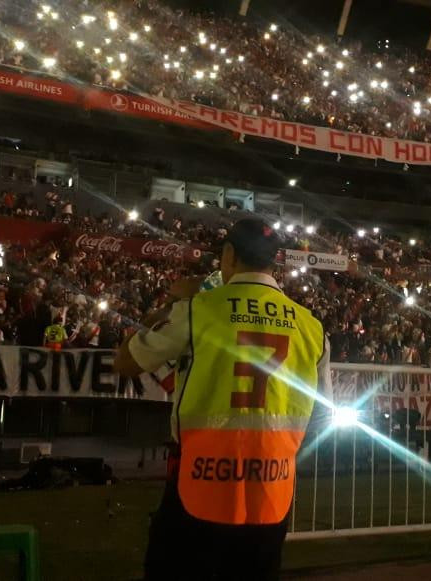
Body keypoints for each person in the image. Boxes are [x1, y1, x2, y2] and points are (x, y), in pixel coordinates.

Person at [114, 218, 330, 580]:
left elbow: (126, 362)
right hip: (271, 490)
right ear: (272, 260)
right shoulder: (311, 325)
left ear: (228, 255)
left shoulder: (199, 309)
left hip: (200, 485)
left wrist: (174, 300)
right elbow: (321, 410)